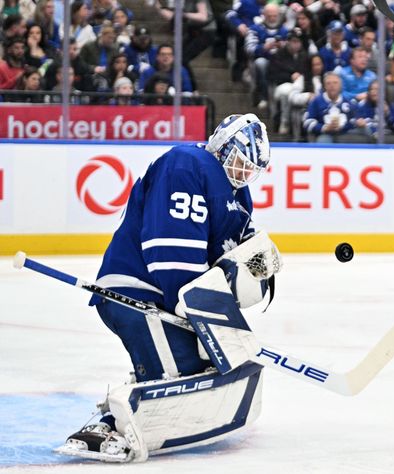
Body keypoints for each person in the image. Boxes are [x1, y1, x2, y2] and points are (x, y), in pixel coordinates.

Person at [55, 114, 278, 463]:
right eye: (238, 162)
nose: (242, 174)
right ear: (221, 147)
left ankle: (142, 384)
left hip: (168, 298)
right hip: (136, 292)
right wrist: (200, 313)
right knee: (186, 374)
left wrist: (255, 269)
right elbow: (171, 253)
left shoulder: (239, 196)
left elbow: (229, 261)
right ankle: (108, 425)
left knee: (207, 366)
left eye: (251, 169)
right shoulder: (187, 165)